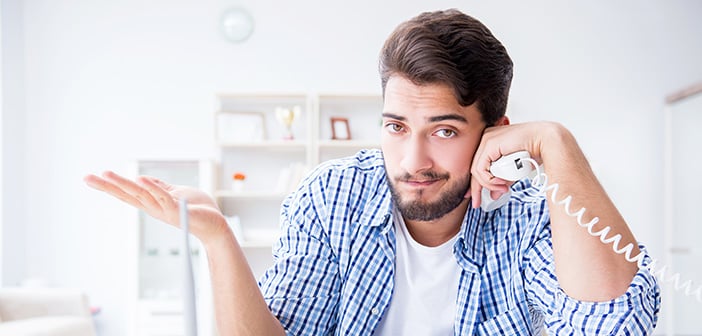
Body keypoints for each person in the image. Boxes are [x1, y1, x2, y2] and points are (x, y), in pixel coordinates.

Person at [85, 9, 660, 335]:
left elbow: (615, 320)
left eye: (444, 132)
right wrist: (217, 237)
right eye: (395, 128)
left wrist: (555, 143)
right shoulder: (331, 197)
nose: (413, 162)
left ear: (496, 131)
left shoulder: (533, 218)